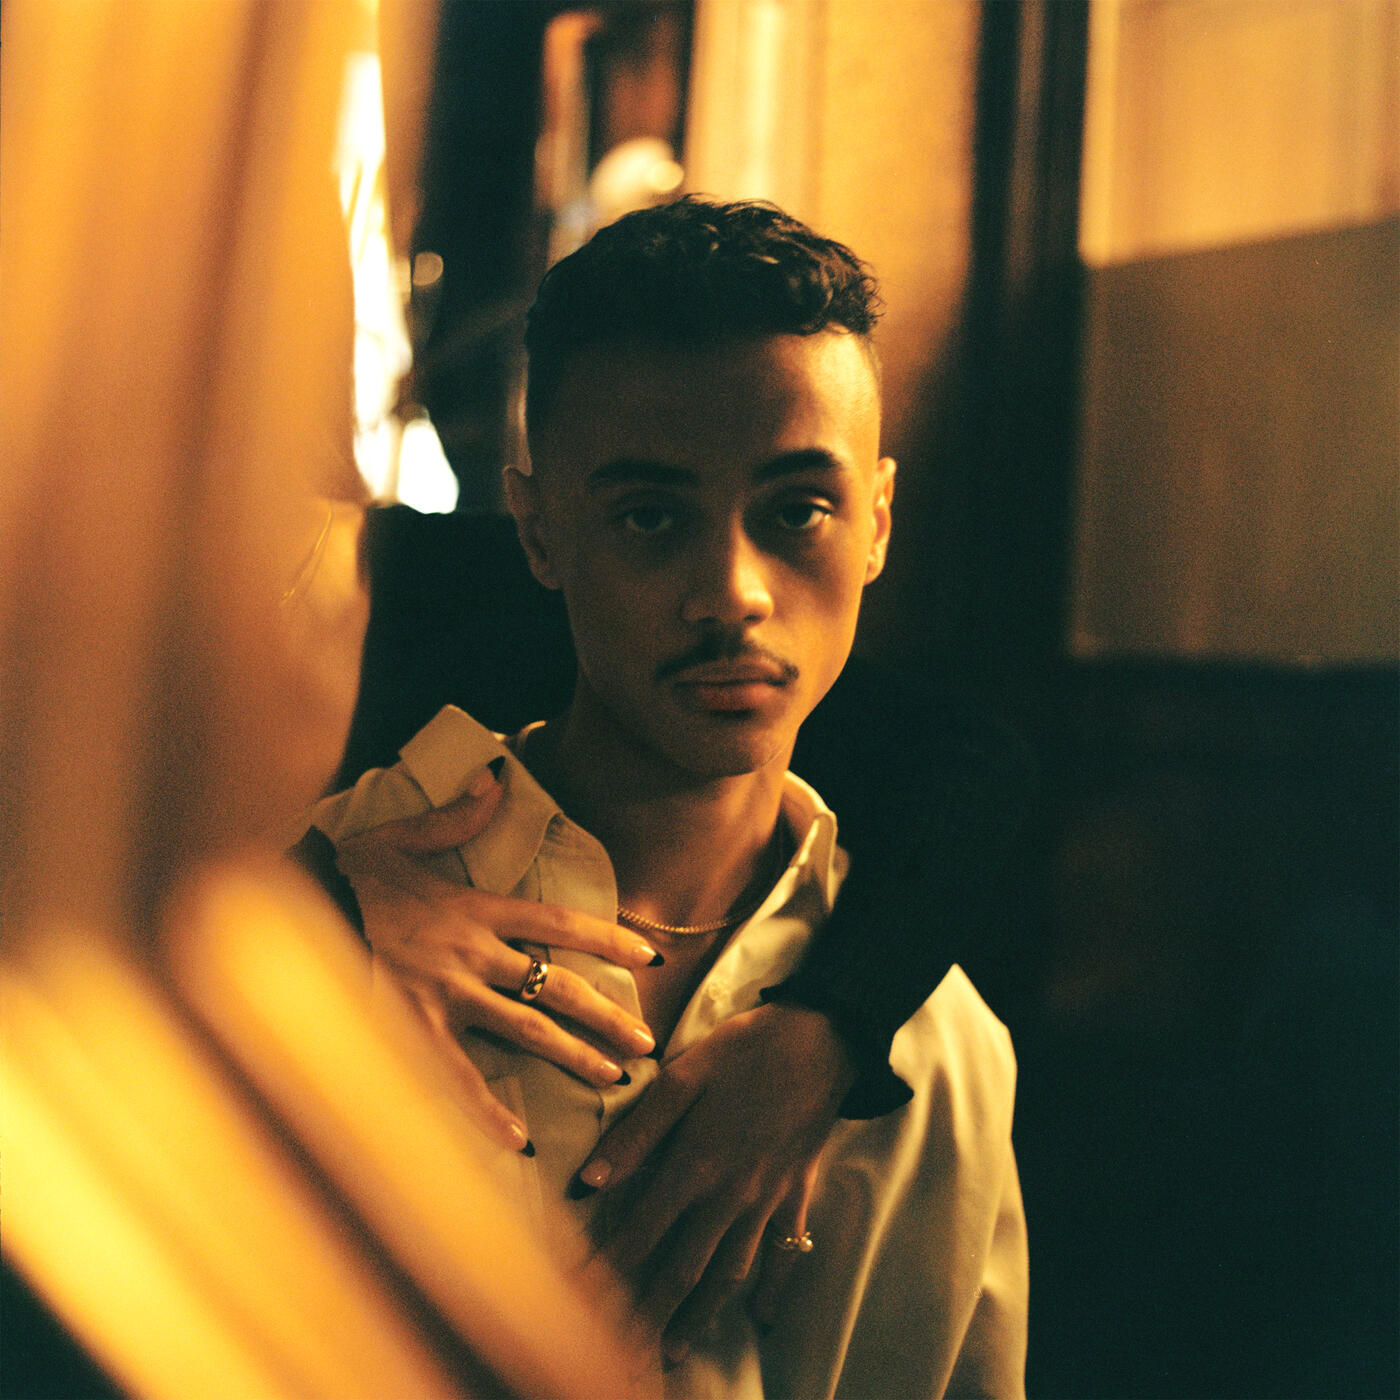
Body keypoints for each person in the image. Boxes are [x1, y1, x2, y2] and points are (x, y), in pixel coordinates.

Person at [302, 197, 1027, 1396]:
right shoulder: (298, 918)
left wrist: (834, 1024)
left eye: (797, 509)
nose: (731, 590)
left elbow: (972, 759)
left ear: (878, 522)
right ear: (536, 529)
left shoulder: (940, 1052)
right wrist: (306, 908)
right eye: (649, 515)